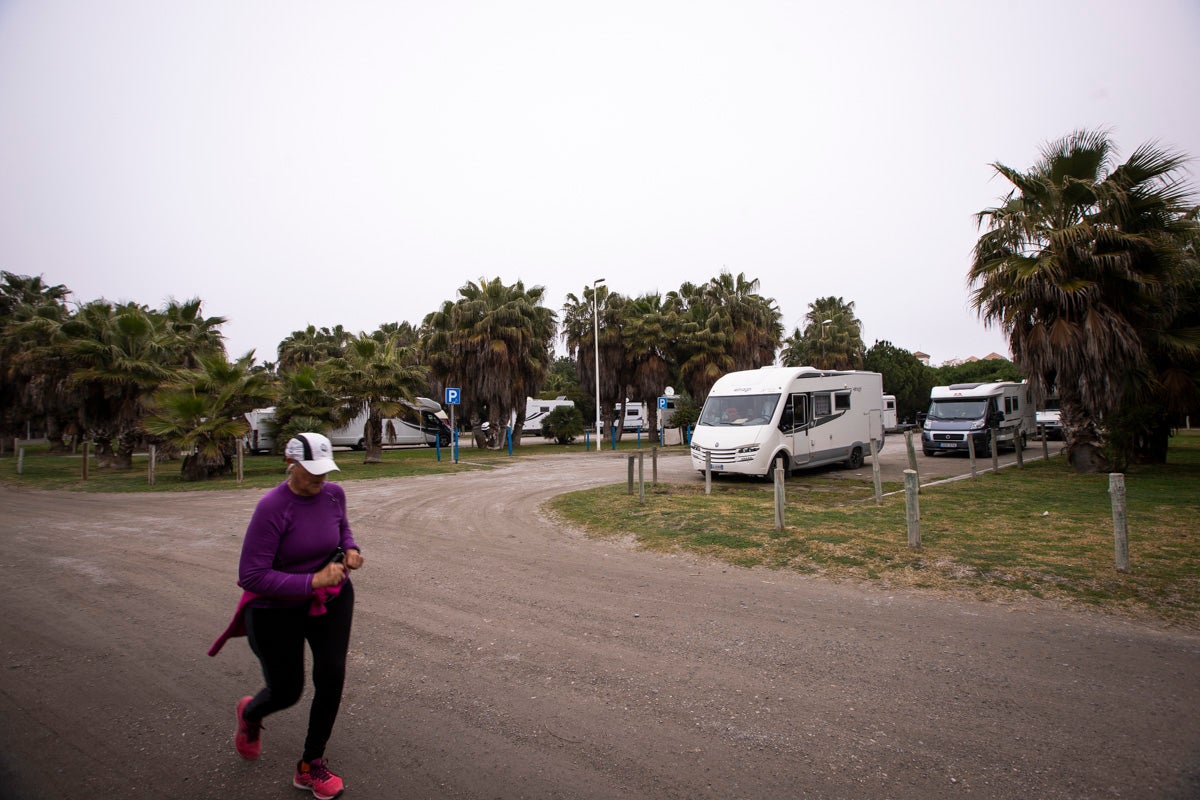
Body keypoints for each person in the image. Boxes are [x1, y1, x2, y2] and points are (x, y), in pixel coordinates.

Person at [212, 432, 364, 800]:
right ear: (290, 464)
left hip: (331, 598)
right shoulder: (272, 507)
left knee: (331, 677)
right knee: (286, 690)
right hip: (275, 612)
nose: (319, 480)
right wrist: (311, 579)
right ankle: (251, 714)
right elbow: (251, 575)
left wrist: (351, 549)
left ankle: (311, 765)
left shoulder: (333, 494)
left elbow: (341, 528)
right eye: (311, 472)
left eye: (324, 472)